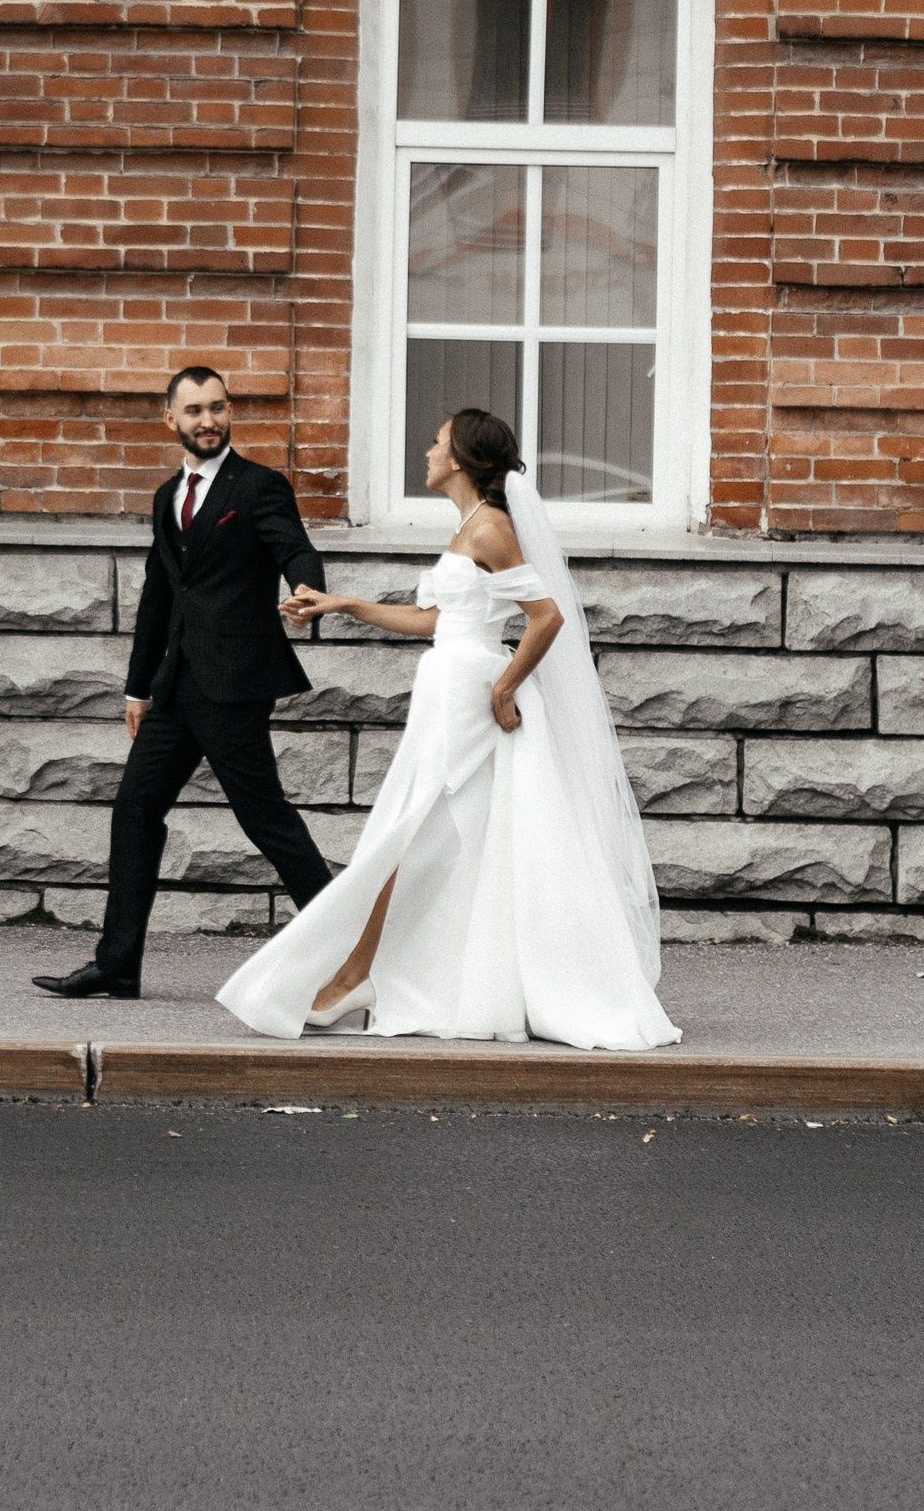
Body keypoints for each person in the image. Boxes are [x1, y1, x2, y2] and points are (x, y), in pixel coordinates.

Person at [216, 408, 680, 1051]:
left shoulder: (491, 528)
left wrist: (504, 685)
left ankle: (352, 975)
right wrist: (343, 604)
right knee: (428, 838)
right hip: (446, 685)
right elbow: (434, 620)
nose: (428, 452)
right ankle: (375, 974)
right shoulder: (469, 526)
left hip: (468, 695)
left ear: (459, 459)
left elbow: (546, 618)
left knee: (402, 834)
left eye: (437, 443)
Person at [34, 364, 335, 1002]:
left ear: (230, 413)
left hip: (233, 683)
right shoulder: (167, 496)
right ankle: (117, 964)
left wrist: (307, 589)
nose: (209, 421)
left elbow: (295, 549)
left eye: (219, 408)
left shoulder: (259, 487)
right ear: (170, 419)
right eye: (195, 410)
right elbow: (158, 597)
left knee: (266, 820)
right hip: (173, 688)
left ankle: (349, 951)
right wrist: (138, 688)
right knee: (135, 811)